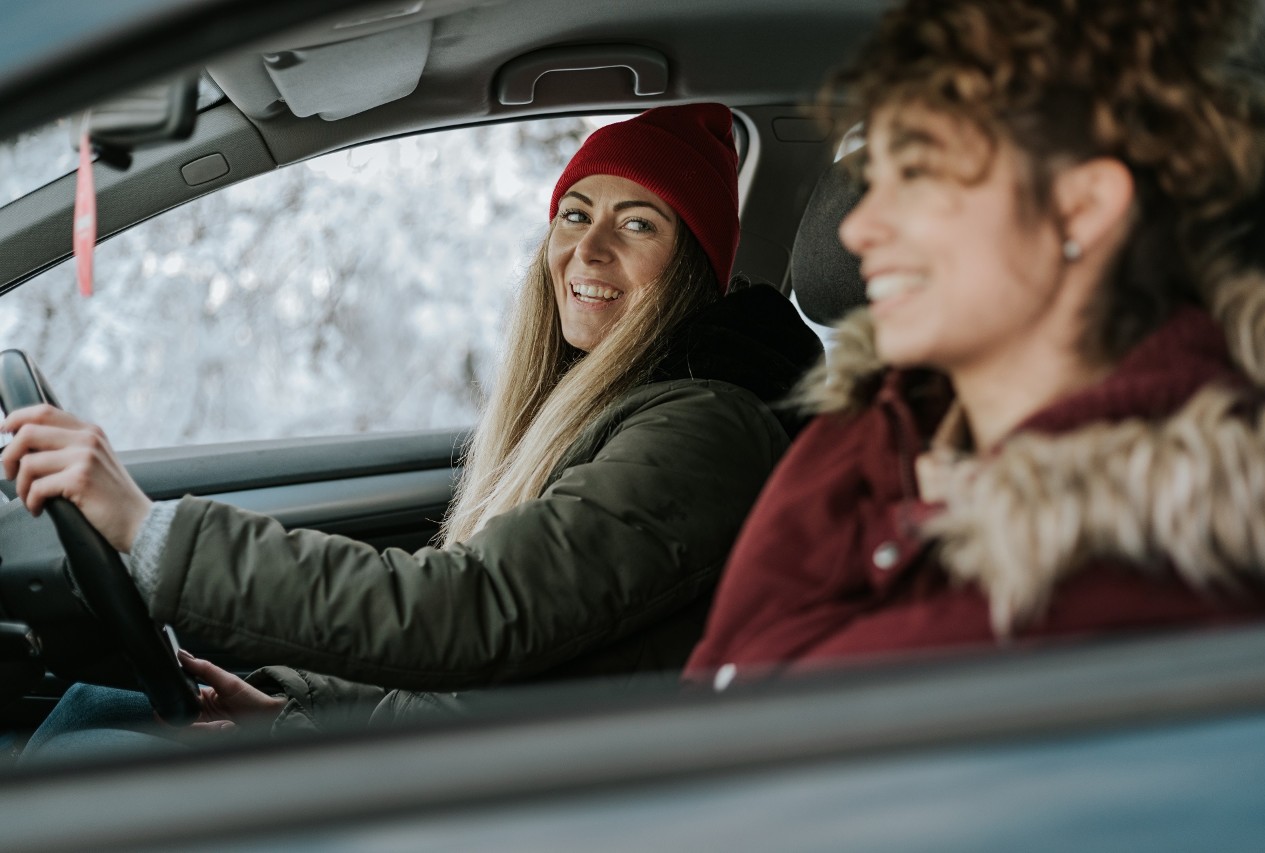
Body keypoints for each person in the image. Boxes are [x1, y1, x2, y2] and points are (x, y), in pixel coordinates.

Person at [3, 103, 823, 751]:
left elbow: (468, 613)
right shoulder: (616, 407)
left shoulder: (705, 431)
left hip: (512, 797)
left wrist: (150, 532)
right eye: (574, 214)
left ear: (690, 270)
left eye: (639, 223)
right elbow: (485, 667)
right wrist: (292, 709)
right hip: (471, 754)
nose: (589, 249)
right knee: (91, 714)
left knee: (84, 761)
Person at [685, 0, 1265, 683]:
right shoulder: (872, 424)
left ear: (1080, 208)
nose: (856, 229)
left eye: (916, 173)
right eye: (870, 177)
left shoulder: (1159, 566)